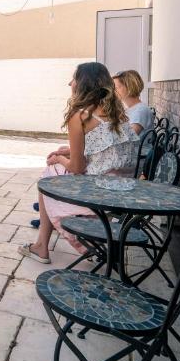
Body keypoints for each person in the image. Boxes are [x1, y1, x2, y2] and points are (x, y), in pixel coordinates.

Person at [19, 62, 139, 263]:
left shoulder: (81, 116)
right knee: (55, 169)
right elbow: (107, 152)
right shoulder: (119, 113)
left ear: (84, 83)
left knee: (48, 175)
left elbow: (77, 167)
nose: (70, 83)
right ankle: (43, 244)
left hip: (96, 193)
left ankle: (42, 246)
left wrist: (59, 158)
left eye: (74, 78)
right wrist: (68, 152)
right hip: (122, 189)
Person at [113, 69, 153, 136]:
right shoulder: (129, 108)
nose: (113, 90)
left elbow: (128, 138)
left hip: (136, 146)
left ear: (129, 87)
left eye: (116, 87)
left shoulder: (140, 111)